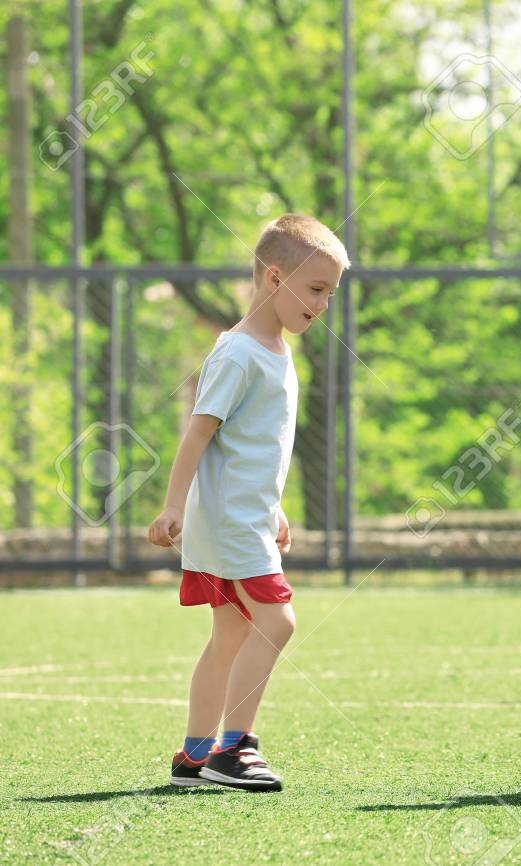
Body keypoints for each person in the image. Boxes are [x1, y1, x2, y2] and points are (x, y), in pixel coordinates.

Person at [148, 214, 349, 791]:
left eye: (331, 293)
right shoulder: (238, 353)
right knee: (277, 621)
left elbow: (252, 448)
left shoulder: (275, 350)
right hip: (229, 523)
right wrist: (172, 506)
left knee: (232, 635)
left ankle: (194, 754)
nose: (324, 304)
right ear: (273, 276)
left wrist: (274, 506)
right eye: (315, 289)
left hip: (246, 517)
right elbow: (199, 432)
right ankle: (234, 750)